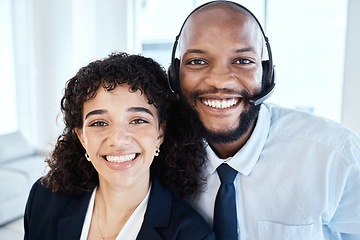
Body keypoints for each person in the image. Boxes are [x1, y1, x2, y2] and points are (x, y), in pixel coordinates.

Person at [164, 1, 360, 239]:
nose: (220, 81)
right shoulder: (159, 153)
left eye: (243, 61)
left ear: (266, 74)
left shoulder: (334, 155)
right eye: (197, 62)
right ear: (174, 75)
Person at [23, 52, 215, 240]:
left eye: (138, 120)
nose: (118, 140)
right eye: (99, 123)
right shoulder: (43, 199)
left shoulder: (191, 233)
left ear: (160, 133)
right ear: (81, 137)